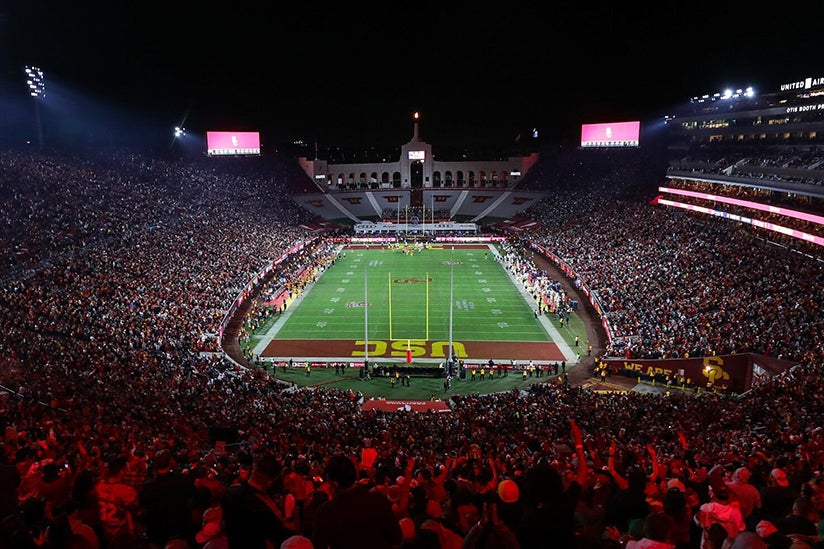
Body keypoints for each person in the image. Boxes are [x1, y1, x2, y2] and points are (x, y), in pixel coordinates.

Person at [311, 454, 402, 549]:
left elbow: (319, 545)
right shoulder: (378, 500)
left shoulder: (325, 512)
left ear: (335, 483)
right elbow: (396, 538)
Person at [222, 453, 296, 548]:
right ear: (271, 480)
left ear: (254, 469)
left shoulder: (230, 493)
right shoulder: (260, 506)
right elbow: (279, 535)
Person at [138, 449, 198, 548]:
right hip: (180, 529)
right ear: (170, 462)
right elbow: (193, 498)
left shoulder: (148, 486)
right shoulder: (183, 480)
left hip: (158, 532)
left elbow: (143, 506)